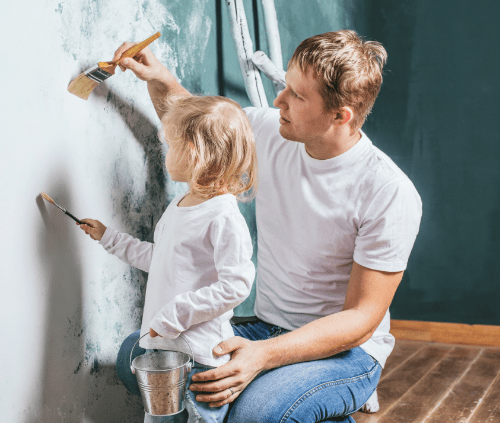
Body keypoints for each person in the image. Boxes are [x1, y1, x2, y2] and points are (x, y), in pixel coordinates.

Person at [113, 29, 422, 422]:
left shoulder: (389, 192)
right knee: (139, 358)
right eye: (285, 87)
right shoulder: (271, 130)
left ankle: (303, 401)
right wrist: (160, 79)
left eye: (297, 95)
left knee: (252, 415)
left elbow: (361, 319)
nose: (279, 101)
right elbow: (197, 126)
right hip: (264, 327)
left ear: (339, 116)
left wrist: (263, 357)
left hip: (345, 353)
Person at [78, 95, 258, 423]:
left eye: (171, 147)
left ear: (193, 154)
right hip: (164, 348)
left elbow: (236, 285)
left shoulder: (223, 216)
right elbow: (163, 260)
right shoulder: (180, 205)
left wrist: (175, 314)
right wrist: (109, 238)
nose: (166, 155)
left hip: (201, 356)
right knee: (159, 418)